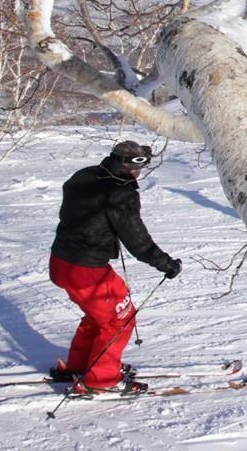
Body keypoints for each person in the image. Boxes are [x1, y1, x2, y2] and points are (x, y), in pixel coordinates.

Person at [48, 141, 183, 395]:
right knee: (120, 319)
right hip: (86, 270)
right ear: (131, 167)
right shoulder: (120, 192)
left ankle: (81, 365)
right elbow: (136, 239)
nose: (139, 174)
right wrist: (165, 263)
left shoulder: (85, 175)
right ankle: (102, 380)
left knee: (99, 316)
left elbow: (79, 201)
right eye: (138, 168)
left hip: (60, 261)